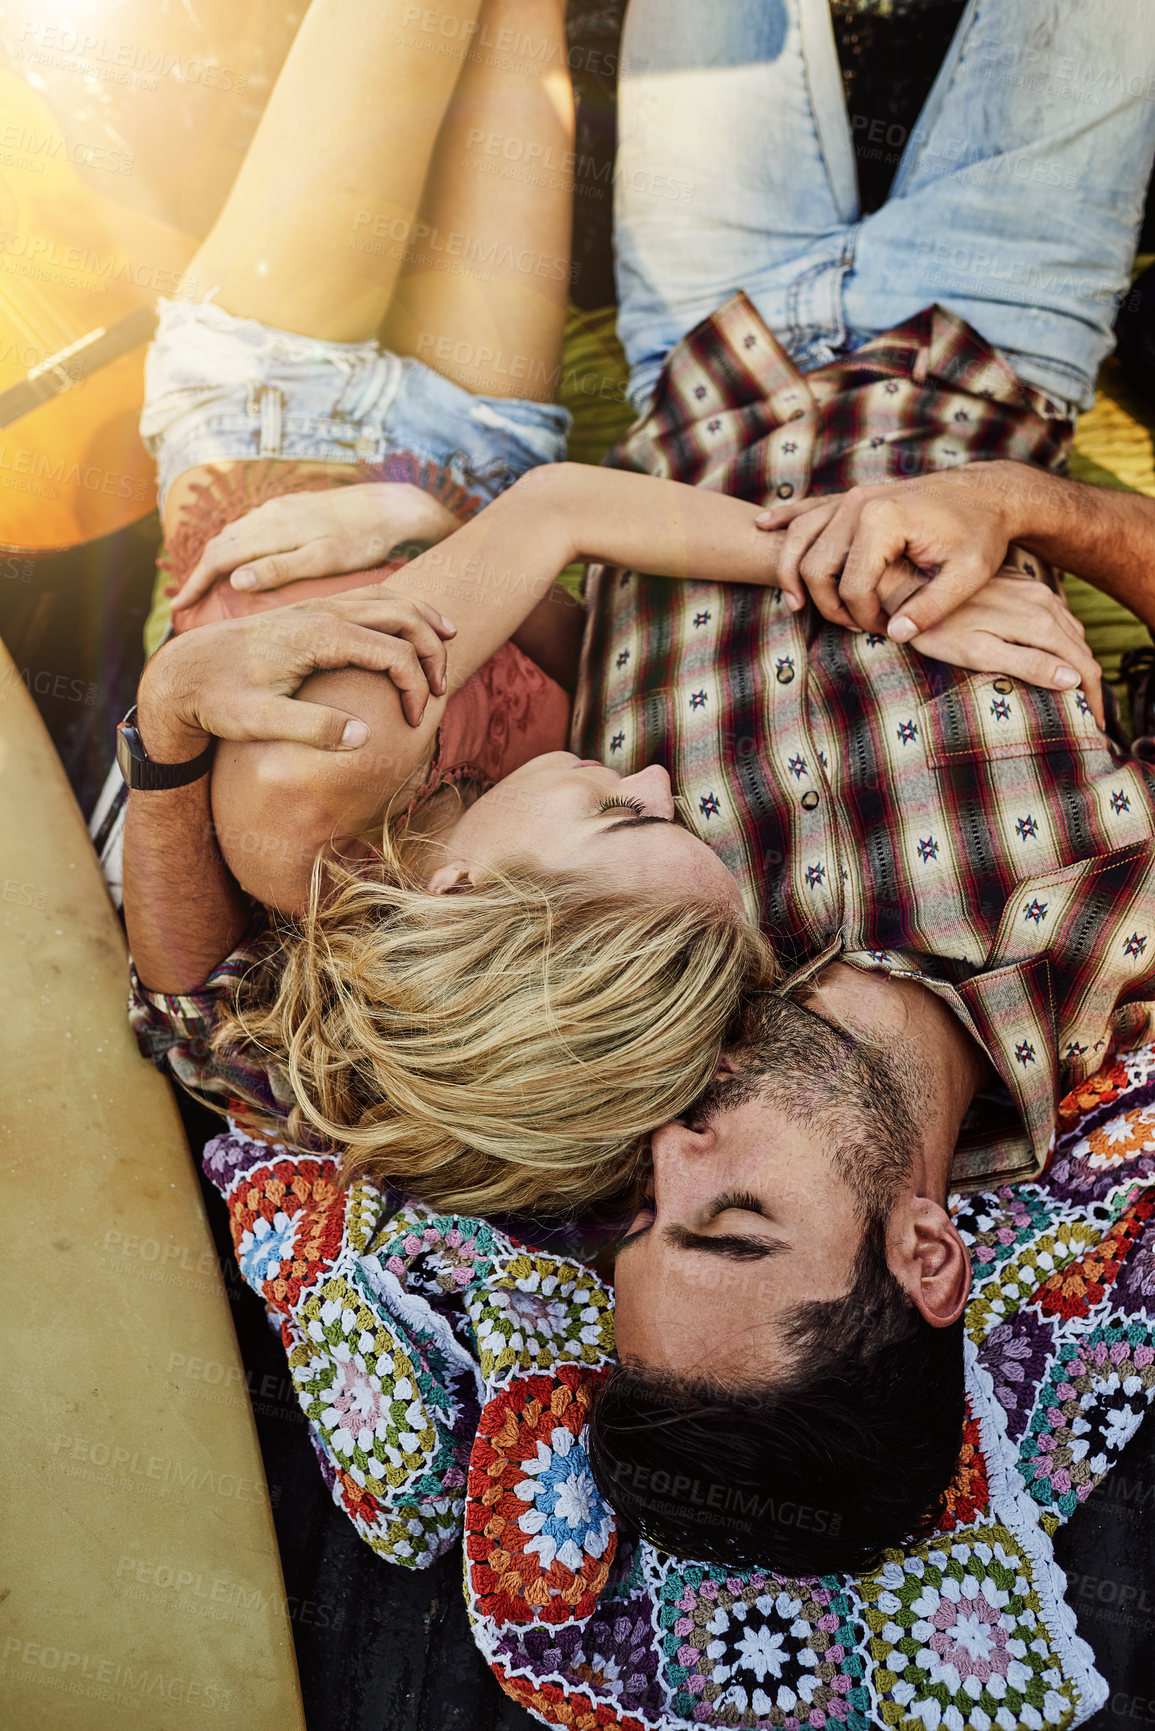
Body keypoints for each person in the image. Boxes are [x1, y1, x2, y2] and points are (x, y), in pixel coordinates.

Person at [126, 0, 1155, 1571]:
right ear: (930, 1252)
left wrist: (184, 713)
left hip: (703, 344)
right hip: (990, 337)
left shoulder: (620, 1024)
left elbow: (209, 1020)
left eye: (645, 1222)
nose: (673, 1160)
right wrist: (1018, 510)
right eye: (731, 1218)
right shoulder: (1115, 954)